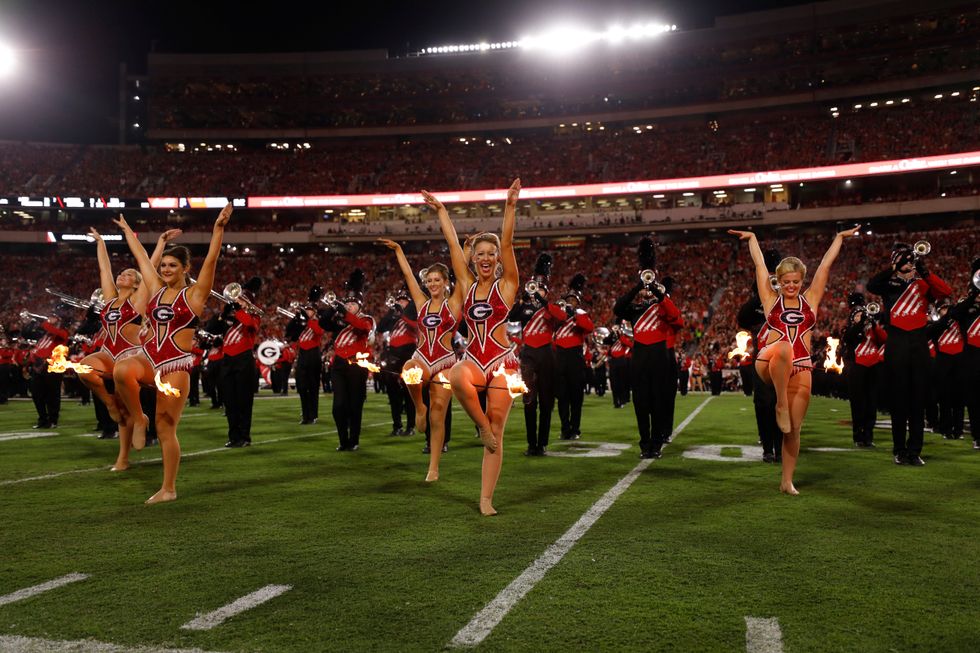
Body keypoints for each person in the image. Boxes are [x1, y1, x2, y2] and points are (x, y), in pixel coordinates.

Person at [112, 204, 233, 504]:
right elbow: (142, 259)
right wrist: (128, 231)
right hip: (148, 358)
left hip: (175, 365)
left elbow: (212, 260)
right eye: (164, 265)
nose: (165, 269)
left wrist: (218, 229)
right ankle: (138, 419)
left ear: (185, 268)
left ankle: (168, 488)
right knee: (121, 370)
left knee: (166, 426)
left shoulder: (194, 294)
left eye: (172, 266)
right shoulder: (155, 288)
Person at [729, 225, 861, 494]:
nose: (791, 286)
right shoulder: (770, 300)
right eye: (786, 281)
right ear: (778, 281)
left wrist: (838, 237)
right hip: (769, 360)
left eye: (796, 282)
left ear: (802, 282)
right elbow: (759, 265)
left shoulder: (810, 300)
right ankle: (780, 404)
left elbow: (824, 266)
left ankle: (786, 481)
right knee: (784, 348)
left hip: (801, 367)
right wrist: (753, 238)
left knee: (794, 430)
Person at [438, 179, 522, 516]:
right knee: (456, 375)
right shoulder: (467, 285)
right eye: (480, 254)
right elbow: (451, 243)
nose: (486, 257)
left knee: (498, 426)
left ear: (497, 258)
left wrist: (510, 205)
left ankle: (486, 499)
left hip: (503, 362)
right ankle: (482, 428)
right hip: (474, 359)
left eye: (491, 253)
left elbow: (509, 241)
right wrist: (441, 211)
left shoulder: (508, 284)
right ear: (472, 259)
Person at [78, 226, 181, 470]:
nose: (121, 275)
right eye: (121, 273)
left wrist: (161, 243)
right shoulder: (110, 299)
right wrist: (100, 242)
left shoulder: (137, 299)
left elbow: (149, 266)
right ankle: (110, 403)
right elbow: (104, 269)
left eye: (127, 274)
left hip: (129, 355)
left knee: (126, 412)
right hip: (108, 353)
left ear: (136, 284)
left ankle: (127, 448)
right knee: (84, 369)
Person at [379, 224, 463, 481]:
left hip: (446, 362)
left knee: (439, 413)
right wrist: (399, 250)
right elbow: (407, 275)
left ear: (446, 282)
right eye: (429, 281)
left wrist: (467, 250)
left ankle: (433, 467)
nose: (432, 284)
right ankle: (418, 407)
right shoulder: (421, 303)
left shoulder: (454, 303)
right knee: (408, 370)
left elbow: (462, 270)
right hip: (423, 357)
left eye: (437, 280)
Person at [867, 242, 952, 465]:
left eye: (909, 258)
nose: (908, 262)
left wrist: (924, 271)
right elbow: (871, 285)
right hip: (897, 340)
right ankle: (899, 450)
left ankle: (915, 451)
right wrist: (895, 267)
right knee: (899, 399)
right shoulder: (889, 283)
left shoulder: (923, 282)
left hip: (919, 341)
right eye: (904, 259)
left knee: (917, 399)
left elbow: (945, 292)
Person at [614, 237, 682, 460]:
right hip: (640, 357)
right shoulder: (634, 309)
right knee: (641, 402)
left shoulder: (662, 306)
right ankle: (645, 444)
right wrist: (638, 286)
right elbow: (618, 308)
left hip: (660, 357)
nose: (646, 291)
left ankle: (656, 443)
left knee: (659, 401)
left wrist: (658, 291)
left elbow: (676, 317)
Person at [507, 254, 559, 456]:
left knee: (546, 402)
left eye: (540, 289)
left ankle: (542, 443)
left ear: (546, 292)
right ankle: (531, 444)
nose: (536, 291)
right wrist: (522, 299)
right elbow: (511, 316)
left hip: (546, 355)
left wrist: (541, 300)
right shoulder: (525, 307)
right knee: (529, 401)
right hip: (528, 354)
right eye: (534, 288)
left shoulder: (551, 308)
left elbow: (561, 317)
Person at [322, 270, 375, 451]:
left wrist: (345, 313)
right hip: (338, 365)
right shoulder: (340, 320)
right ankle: (343, 440)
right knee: (338, 406)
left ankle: (354, 440)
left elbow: (362, 328)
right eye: (348, 304)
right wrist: (333, 308)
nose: (350, 306)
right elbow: (323, 323)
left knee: (354, 406)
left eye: (353, 304)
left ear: (359, 306)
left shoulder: (366, 319)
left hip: (357, 366)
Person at [220, 276, 262, 447]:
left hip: (244, 360)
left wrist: (238, 310)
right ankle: (233, 436)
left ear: (248, 302)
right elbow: (214, 327)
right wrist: (223, 315)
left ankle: (244, 437)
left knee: (244, 401)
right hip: (227, 360)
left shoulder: (254, 316)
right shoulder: (232, 318)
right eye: (237, 298)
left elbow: (250, 324)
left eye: (241, 299)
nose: (237, 301)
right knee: (229, 401)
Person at [842, 293, 887, 448]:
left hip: (873, 368)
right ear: (852, 318)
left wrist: (873, 323)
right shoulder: (849, 329)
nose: (861, 316)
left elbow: (884, 338)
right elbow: (849, 337)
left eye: (862, 314)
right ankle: (858, 436)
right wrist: (861, 323)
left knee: (871, 403)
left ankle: (868, 436)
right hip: (857, 368)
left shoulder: (872, 329)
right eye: (857, 315)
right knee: (858, 403)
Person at [553, 274, 594, 441]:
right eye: (568, 300)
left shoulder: (581, 314)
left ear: (578, 303)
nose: (570, 302)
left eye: (573, 300)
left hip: (575, 358)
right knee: (562, 397)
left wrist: (575, 313)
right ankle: (565, 428)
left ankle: (575, 429)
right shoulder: (558, 315)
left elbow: (588, 327)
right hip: (560, 357)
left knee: (576, 397)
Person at [378, 287, 419, 437]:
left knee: (409, 391)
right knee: (393, 392)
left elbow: (416, 328)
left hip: (408, 353)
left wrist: (403, 313)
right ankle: (397, 426)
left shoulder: (414, 314)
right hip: (393, 354)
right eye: (399, 300)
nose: (400, 303)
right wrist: (392, 312)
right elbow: (380, 328)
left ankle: (410, 426)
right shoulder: (393, 318)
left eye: (403, 301)